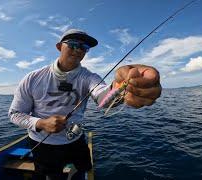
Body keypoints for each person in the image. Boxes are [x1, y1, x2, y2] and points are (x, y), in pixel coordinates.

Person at [8, 29, 162, 180]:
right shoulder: (33, 78)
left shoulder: (89, 77)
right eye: (73, 44)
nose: (78, 50)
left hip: (75, 139)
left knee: (85, 167)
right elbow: (14, 114)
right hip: (42, 143)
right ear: (59, 46)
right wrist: (41, 123)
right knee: (52, 175)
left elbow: (102, 98)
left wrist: (120, 86)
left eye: (83, 47)